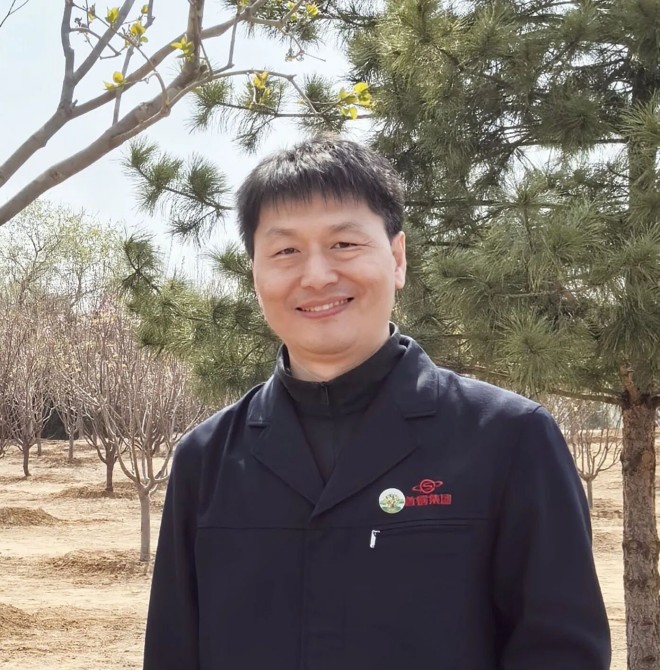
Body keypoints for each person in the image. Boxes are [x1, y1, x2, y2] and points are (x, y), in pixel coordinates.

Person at [143, 137, 611, 669]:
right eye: (286, 251)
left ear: (397, 258)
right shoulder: (206, 461)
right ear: (256, 274)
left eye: (344, 243)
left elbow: (561, 653)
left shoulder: (509, 438)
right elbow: (172, 652)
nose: (316, 275)